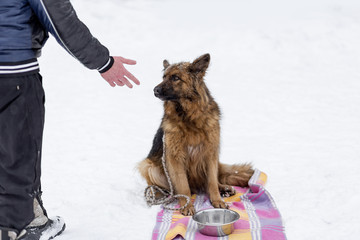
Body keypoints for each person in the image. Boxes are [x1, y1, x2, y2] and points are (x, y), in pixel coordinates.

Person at [0, 0, 140, 239]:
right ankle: (24, 223)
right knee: (19, 151)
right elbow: (60, 19)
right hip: (14, 73)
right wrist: (103, 62)